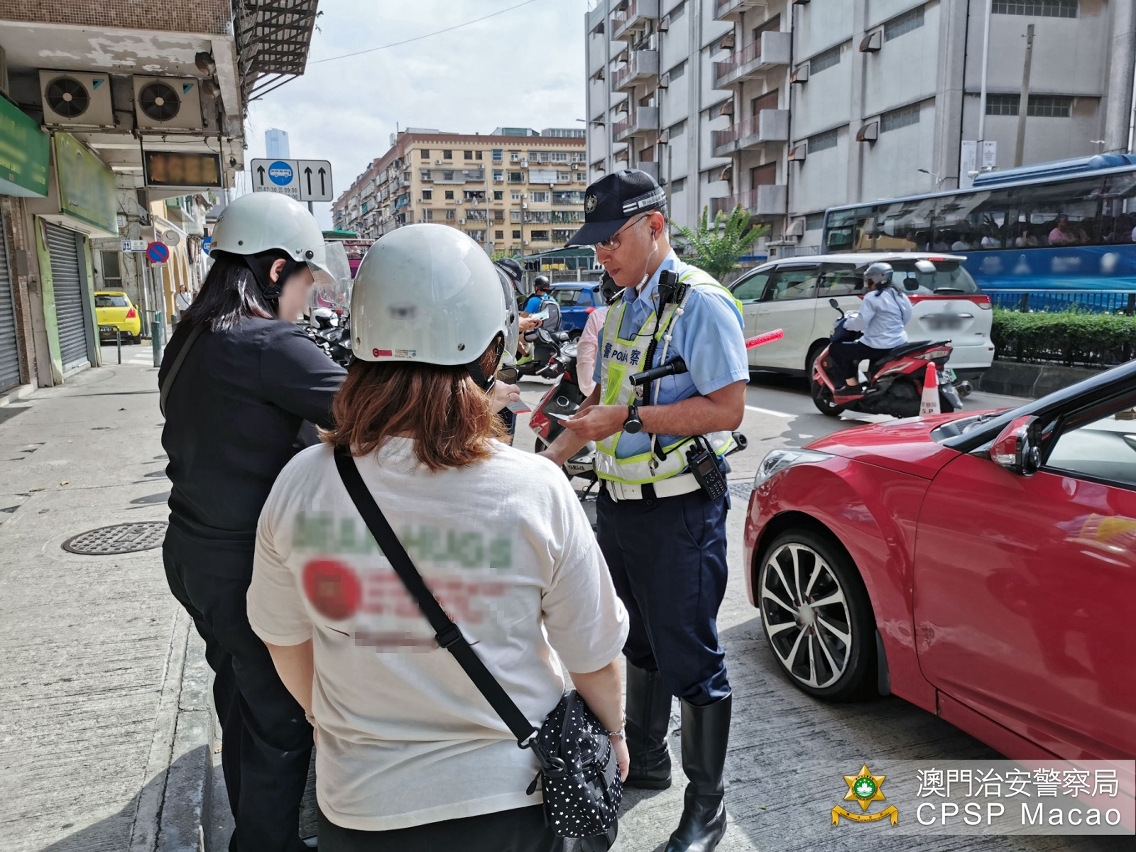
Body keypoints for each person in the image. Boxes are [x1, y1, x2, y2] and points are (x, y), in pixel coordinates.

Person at [246, 224, 630, 852]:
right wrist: (613, 732)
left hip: (360, 808)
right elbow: (593, 655)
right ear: (489, 356)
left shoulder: (301, 484)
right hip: (512, 802)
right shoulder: (534, 488)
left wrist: (327, 719)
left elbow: (282, 638)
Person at [540, 169, 748, 852]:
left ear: (654, 226)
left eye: (612, 240)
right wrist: (545, 463)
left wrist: (630, 417)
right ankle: (650, 762)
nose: (602, 254)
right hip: (619, 507)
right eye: (596, 244)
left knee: (693, 659)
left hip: (680, 513)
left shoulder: (701, 303)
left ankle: (708, 808)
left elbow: (727, 408)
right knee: (637, 641)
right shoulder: (624, 303)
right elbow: (602, 401)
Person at [159, 191, 348, 852]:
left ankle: (253, 830)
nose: (308, 297)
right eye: (305, 280)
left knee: (241, 699)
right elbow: (373, 416)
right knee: (281, 722)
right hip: (244, 568)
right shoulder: (270, 342)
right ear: (275, 270)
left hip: (192, 557)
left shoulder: (189, 338)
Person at [831, 262, 913, 398]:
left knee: (836, 349)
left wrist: (845, 324)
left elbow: (860, 324)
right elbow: (906, 317)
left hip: (877, 345)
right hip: (899, 342)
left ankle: (852, 386)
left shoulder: (873, 297)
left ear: (874, 279)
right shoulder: (899, 295)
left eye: (868, 280)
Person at [576, 273, 620, 398]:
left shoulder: (598, 316)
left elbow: (585, 356)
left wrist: (590, 390)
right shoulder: (642, 314)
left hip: (602, 392)